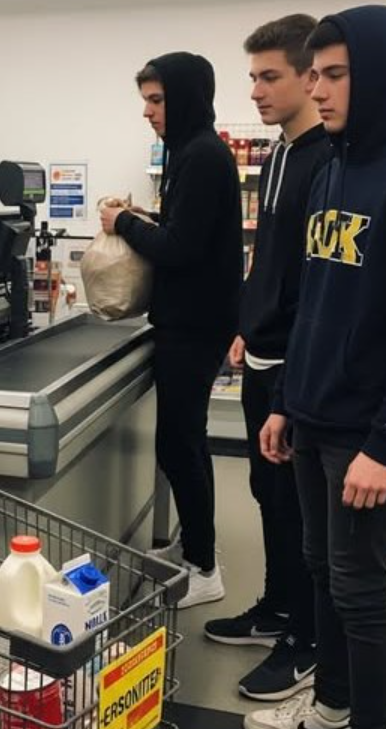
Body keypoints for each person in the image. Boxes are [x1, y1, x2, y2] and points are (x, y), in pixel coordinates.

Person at [248, 6, 386, 729]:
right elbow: (313, 301)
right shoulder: (330, 171)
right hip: (312, 415)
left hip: (364, 432)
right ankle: (332, 704)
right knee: (324, 571)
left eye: (336, 74)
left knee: (364, 594)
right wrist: (284, 400)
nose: (318, 89)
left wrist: (381, 446)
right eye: (316, 74)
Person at [204, 14, 331, 703]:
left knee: (301, 511)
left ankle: (308, 641)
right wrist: (247, 324)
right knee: (266, 496)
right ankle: (278, 607)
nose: (254, 90)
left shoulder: (329, 160)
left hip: (297, 367)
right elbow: (272, 258)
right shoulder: (278, 153)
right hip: (260, 355)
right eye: (252, 76)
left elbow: (317, 282)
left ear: (309, 77)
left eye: (269, 76)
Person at [100, 52, 242, 608]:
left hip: (194, 326)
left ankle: (203, 569)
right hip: (194, 321)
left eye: (156, 100)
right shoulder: (190, 151)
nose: (147, 112)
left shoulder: (202, 156)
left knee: (180, 445)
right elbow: (188, 229)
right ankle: (196, 545)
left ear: (184, 98)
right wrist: (146, 219)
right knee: (187, 442)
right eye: (145, 101)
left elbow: (181, 249)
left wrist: (123, 223)